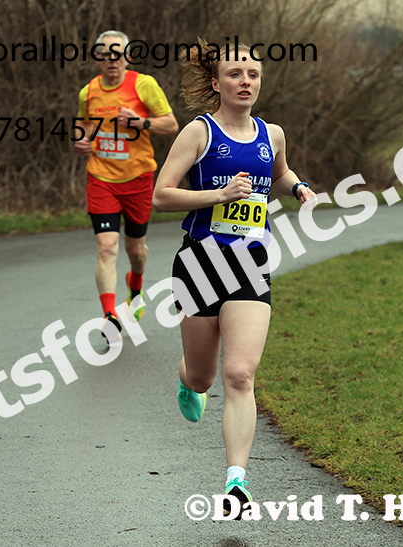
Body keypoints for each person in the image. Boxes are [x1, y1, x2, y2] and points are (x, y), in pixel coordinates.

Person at [151, 39, 315, 519]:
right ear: (217, 82)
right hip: (201, 264)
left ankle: (236, 483)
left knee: (239, 374)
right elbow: (163, 195)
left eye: (254, 75)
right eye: (235, 74)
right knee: (203, 377)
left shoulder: (273, 134)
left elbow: (278, 174)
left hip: (250, 263)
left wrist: (299, 187)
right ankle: (186, 377)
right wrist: (218, 196)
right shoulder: (198, 133)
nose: (246, 82)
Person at [74, 30, 179, 340]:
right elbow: (84, 125)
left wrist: (140, 122)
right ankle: (109, 316)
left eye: (117, 53)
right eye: (104, 54)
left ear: (128, 57)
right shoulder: (88, 92)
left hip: (138, 180)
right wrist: (82, 140)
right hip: (101, 179)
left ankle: (136, 284)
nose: (111, 60)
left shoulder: (143, 85)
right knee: (106, 247)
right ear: (97, 58)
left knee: (135, 250)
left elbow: (171, 124)